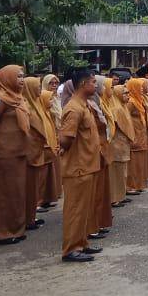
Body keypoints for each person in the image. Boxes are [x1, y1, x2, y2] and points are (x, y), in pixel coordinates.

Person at [0, 65, 32, 246]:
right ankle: (1, 233)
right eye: (18, 76)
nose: (21, 80)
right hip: (4, 153)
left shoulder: (17, 97)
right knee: (4, 193)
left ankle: (15, 228)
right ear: (7, 78)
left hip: (18, 151)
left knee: (16, 192)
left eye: (22, 76)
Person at [58, 69, 102, 262]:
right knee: (75, 210)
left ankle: (81, 243)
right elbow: (66, 138)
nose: (96, 85)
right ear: (83, 84)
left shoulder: (84, 105)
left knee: (83, 210)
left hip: (86, 165)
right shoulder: (74, 108)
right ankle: (71, 249)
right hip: (78, 167)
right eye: (93, 82)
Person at [21, 76, 55, 232]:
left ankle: (30, 216)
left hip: (37, 150)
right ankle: (26, 218)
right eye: (37, 87)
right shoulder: (25, 106)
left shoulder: (36, 104)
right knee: (28, 187)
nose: (40, 90)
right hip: (29, 152)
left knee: (34, 186)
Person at [88, 76, 114, 240]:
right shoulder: (85, 104)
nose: (103, 88)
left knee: (100, 192)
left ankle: (98, 222)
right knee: (93, 193)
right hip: (92, 153)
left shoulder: (96, 101)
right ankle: (91, 226)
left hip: (101, 150)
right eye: (101, 85)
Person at [107, 82, 134, 208]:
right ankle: (114, 198)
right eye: (125, 93)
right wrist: (131, 137)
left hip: (122, 144)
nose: (128, 95)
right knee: (116, 172)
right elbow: (123, 127)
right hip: (117, 144)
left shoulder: (123, 106)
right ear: (118, 94)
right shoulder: (116, 109)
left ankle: (121, 195)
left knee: (122, 171)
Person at [39, 73, 63, 209]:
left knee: (56, 166)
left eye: (56, 83)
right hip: (50, 134)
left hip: (58, 133)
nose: (54, 86)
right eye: (51, 83)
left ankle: (54, 193)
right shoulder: (43, 98)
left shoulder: (56, 98)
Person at [125, 76, 148, 193]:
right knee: (134, 163)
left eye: (142, 87)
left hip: (140, 133)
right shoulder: (131, 102)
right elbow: (125, 118)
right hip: (135, 134)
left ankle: (139, 184)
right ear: (134, 88)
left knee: (139, 161)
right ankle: (131, 185)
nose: (142, 89)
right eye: (140, 87)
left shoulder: (138, 99)